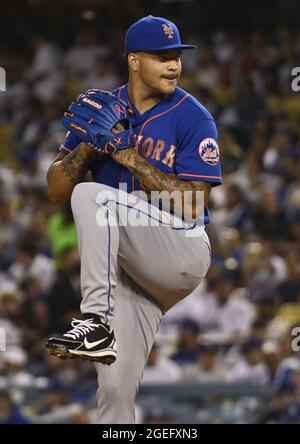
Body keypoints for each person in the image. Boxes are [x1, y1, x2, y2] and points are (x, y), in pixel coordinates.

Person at [45, 15, 222, 424]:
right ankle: (100, 333)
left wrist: (126, 154)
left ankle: (94, 322)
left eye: (176, 56)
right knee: (113, 391)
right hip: (130, 271)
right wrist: (90, 146)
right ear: (134, 61)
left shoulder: (193, 116)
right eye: (162, 57)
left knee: (93, 196)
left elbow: (194, 206)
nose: (174, 65)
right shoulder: (103, 108)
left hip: (180, 248)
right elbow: (55, 190)